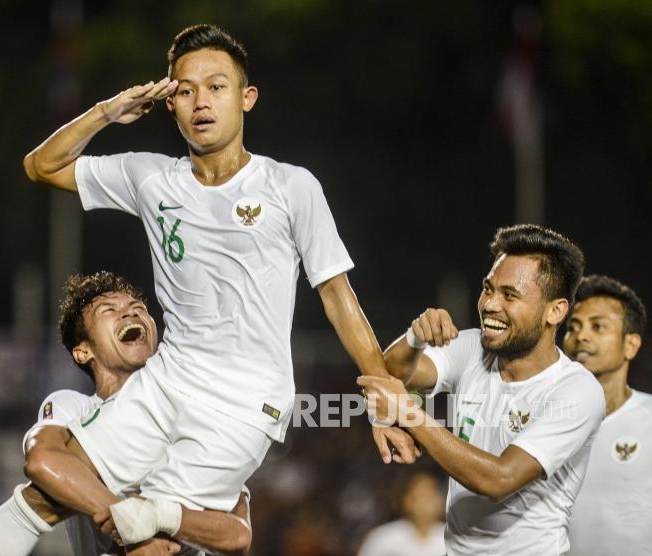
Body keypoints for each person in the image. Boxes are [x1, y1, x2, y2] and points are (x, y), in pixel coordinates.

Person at [23, 23, 416, 547]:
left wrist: (381, 392)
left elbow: (337, 297)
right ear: (169, 103)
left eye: (216, 86)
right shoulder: (151, 178)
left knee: (147, 535)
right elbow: (41, 166)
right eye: (186, 90)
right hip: (165, 382)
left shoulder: (289, 186)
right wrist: (107, 112)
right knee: (50, 484)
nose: (200, 102)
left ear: (246, 98)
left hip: (244, 402)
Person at [0, 272, 251, 556]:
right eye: (109, 310)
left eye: (138, 308)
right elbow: (41, 460)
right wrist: (129, 525)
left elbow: (238, 535)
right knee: (40, 498)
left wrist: (157, 518)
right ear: (83, 352)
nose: (130, 314)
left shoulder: (199, 415)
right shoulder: (75, 409)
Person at [359, 224, 606, 555]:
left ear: (555, 310)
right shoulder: (472, 347)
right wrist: (415, 338)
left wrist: (406, 411)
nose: (490, 304)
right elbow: (393, 373)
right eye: (488, 289)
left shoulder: (577, 390)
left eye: (510, 295)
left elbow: (499, 480)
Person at [563, 275, 652, 555]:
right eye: (573, 327)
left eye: (598, 326)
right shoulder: (545, 418)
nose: (581, 336)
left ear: (631, 345)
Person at [357, 470, 445, 556]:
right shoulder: (382, 538)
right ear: (407, 500)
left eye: (431, 495)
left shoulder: (452, 537)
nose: (427, 503)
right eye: (421, 496)